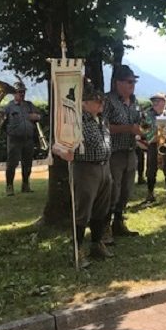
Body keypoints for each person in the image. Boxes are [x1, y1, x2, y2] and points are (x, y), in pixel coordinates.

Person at [55, 79, 114, 268]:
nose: (101, 104)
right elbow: (57, 144)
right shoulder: (75, 121)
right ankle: (77, 250)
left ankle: (96, 244)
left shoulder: (101, 120)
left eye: (102, 101)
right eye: (97, 101)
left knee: (101, 209)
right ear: (85, 103)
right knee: (82, 212)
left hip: (104, 167)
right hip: (85, 169)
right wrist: (64, 153)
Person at [104, 64, 144, 242]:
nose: (132, 85)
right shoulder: (108, 101)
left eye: (134, 82)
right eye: (129, 82)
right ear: (118, 83)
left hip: (130, 151)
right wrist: (128, 128)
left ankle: (119, 223)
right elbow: (102, 126)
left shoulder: (135, 102)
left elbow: (141, 122)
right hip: (114, 153)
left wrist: (147, 130)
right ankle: (104, 229)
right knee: (112, 191)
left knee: (126, 191)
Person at [2, 80, 41, 196]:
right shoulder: (8, 107)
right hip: (14, 139)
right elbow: (2, 122)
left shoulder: (29, 105)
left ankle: (25, 184)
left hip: (28, 138)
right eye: (19, 92)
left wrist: (37, 117)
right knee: (12, 164)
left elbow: (40, 115)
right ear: (14, 93)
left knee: (27, 163)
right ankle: (9, 186)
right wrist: (9, 132)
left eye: (23, 92)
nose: (22, 94)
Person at [142, 93, 166, 204]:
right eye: (153, 101)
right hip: (153, 147)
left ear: (164, 102)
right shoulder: (147, 115)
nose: (154, 103)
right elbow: (144, 130)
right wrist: (152, 137)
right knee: (150, 170)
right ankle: (150, 194)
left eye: (157, 101)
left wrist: (165, 138)